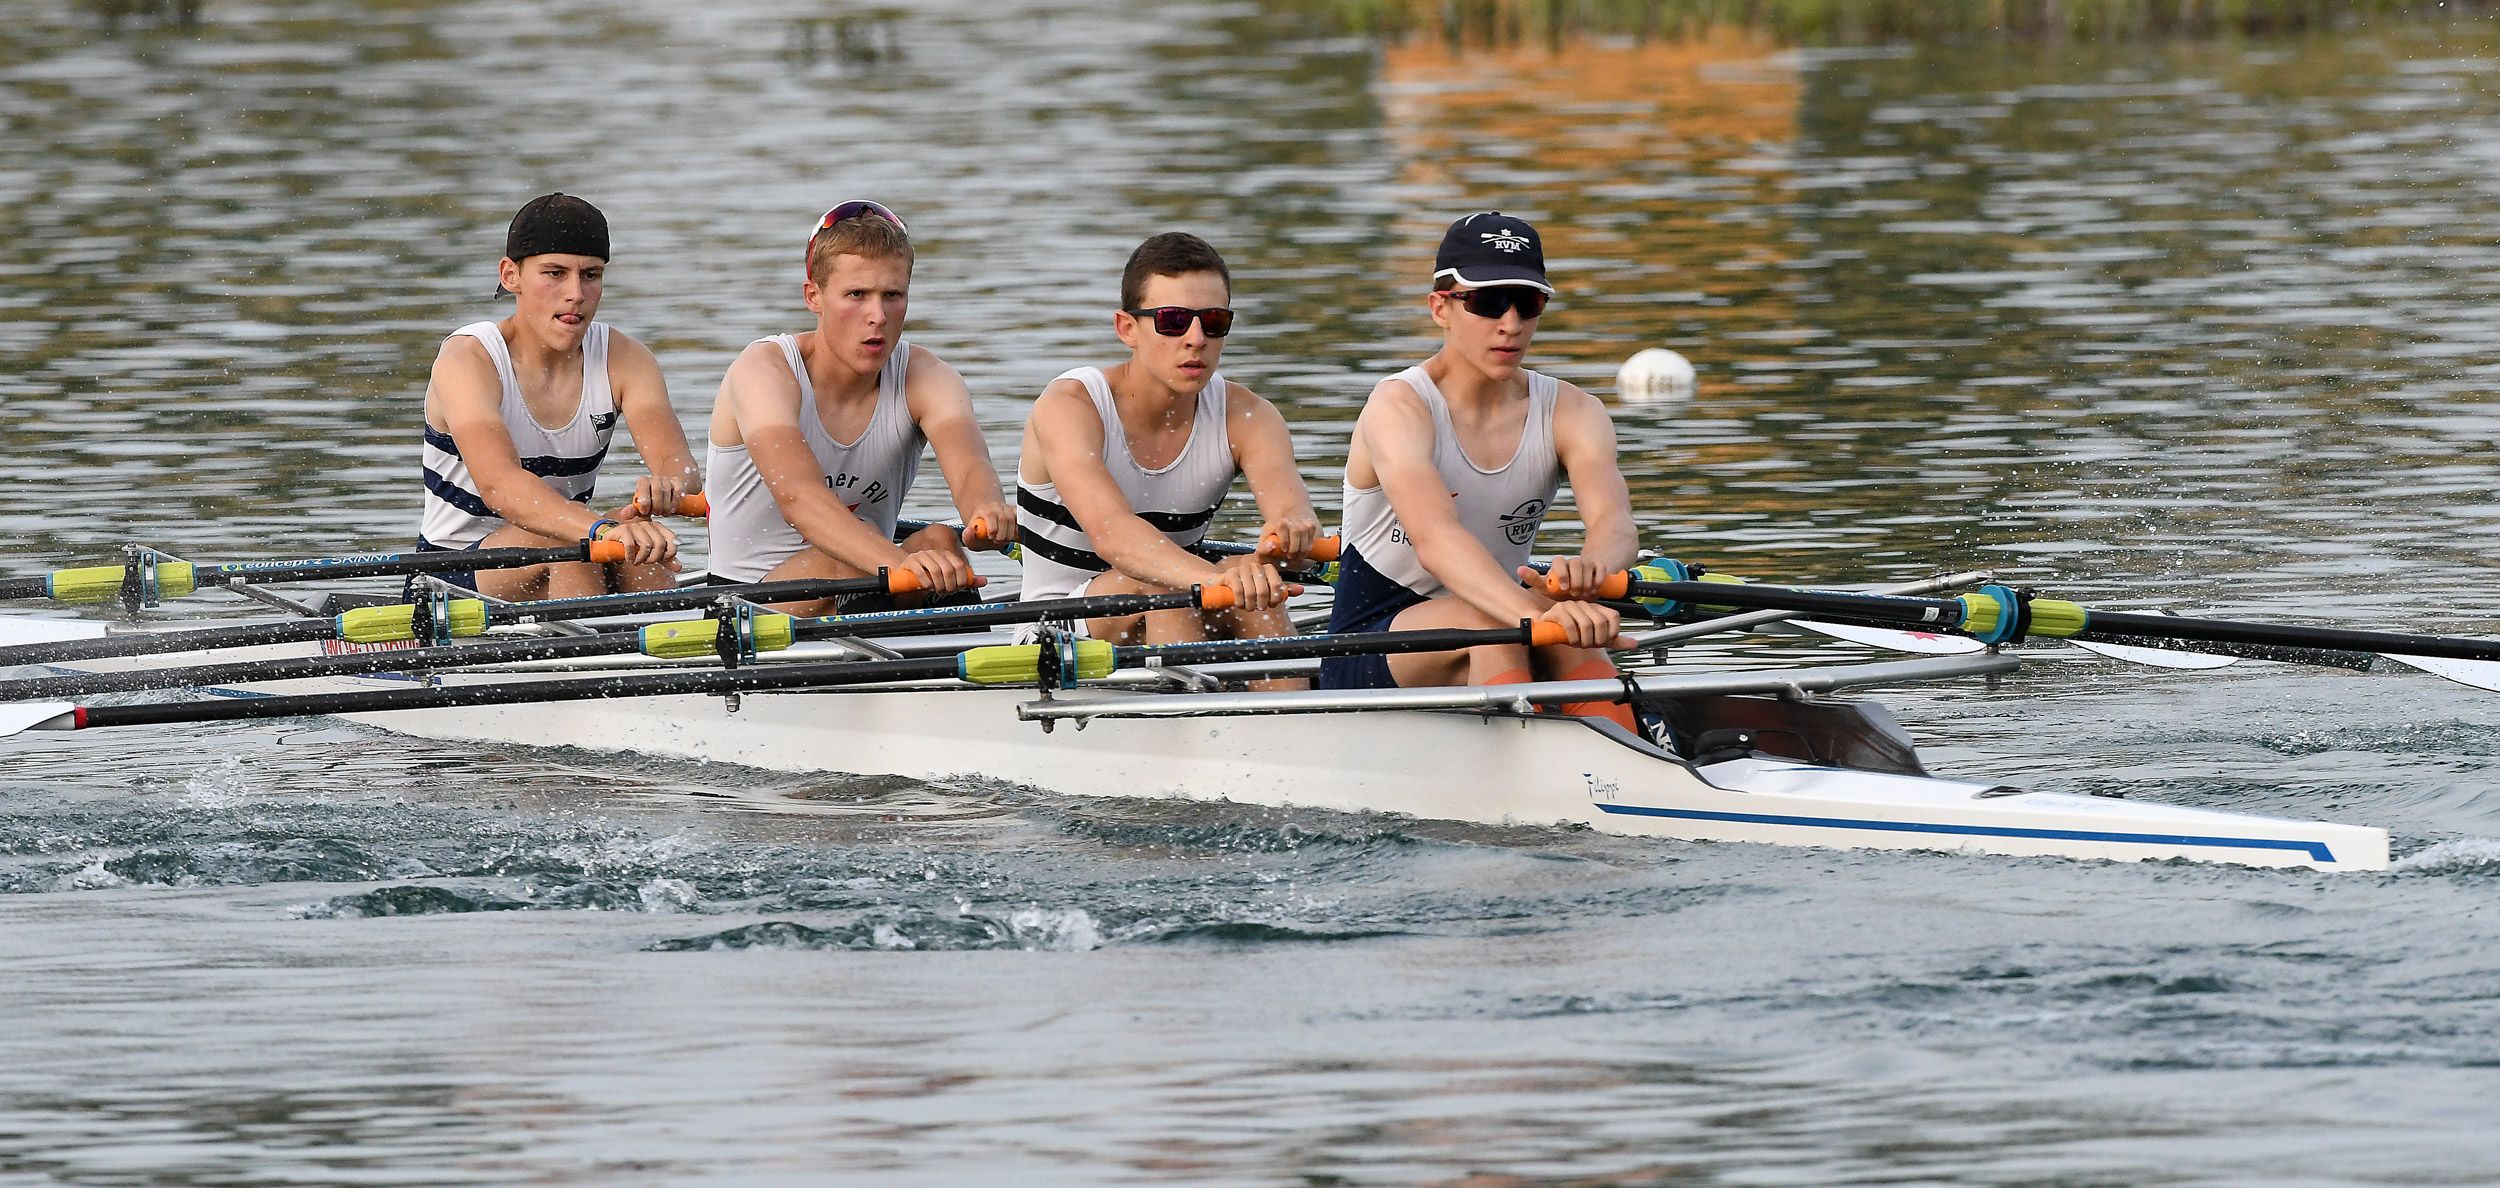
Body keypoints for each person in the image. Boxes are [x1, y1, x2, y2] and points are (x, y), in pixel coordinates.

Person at [1318, 212, 1640, 731]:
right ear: (1440, 308)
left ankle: (1630, 761)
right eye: (1488, 303)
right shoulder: (1398, 406)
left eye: (1528, 303)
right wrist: (1541, 616)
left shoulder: (1575, 412)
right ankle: (1532, 766)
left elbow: (1616, 524)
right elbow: (1435, 539)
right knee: (1505, 621)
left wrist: (1591, 573)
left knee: (1547, 623)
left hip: (1500, 613)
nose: (1510, 324)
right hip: (1371, 642)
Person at [1015, 232, 1320, 654]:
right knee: (1171, 582)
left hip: (1179, 597)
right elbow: (1114, 535)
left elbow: (1294, 522)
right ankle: (1194, 714)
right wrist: (1217, 578)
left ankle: (1292, 715)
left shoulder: (1250, 416)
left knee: (1245, 575)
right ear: (1128, 328)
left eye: (1212, 321)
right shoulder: (1071, 406)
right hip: (1050, 627)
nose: (1196, 338)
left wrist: (1289, 537)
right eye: (1173, 321)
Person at [705, 200, 1014, 616]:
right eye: (857, 295)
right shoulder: (764, 371)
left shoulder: (929, 377)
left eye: (892, 295)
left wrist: (987, 512)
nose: (878, 316)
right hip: (742, 607)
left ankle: (959, 671)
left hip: (866, 581)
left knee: (941, 541)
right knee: (840, 562)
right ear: (813, 296)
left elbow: (970, 467)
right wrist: (901, 564)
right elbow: (801, 498)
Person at [418, 193, 699, 600]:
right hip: (447, 574)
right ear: (510, 275)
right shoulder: (469, 359)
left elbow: (680, 467)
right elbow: (501, 487)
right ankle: (589, 658)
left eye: (591, 274)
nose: (576, 293)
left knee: (642, 550)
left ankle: (663, 647)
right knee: (573, 546)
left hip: (567, 540)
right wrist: (602, 529)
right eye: (554, 273)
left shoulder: (627, 359)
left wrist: (667, 489)